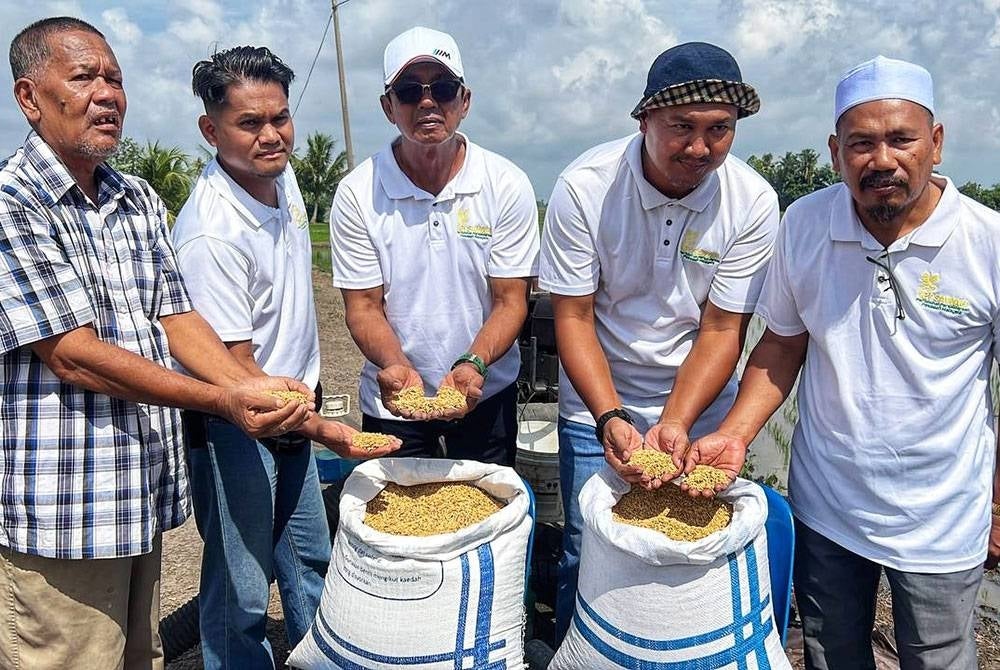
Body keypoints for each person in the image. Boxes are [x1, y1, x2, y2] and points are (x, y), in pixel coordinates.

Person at [0, 17, 313, 670]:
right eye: (84, 77)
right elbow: (73, 354)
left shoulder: (134, 197)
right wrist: (222, 401)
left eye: (114, 78)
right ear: (29, 97)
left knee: (141, 656)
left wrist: (247, 386)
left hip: (133, 496)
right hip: (61, 511)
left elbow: (177, 317)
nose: (108, 93)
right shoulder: (13, 203)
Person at [688, 55, 1000, 669]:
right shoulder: (805, 224)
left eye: (901, 140)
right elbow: (780, 345)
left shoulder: (986, 242)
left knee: (937, 654)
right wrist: (733, 434)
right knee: (832, 651)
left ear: (935, 143)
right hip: (828, 502)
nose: (881, 160)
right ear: (835, 152)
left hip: (942, 509)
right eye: (861, 143)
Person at [538, 41, 779, 642]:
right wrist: (609, 415)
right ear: (645, 119)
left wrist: (675, 422)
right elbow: (574, 317)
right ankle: (583, 647)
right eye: (681, 127)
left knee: (690, 545)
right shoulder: (586, 187)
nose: (700, 148)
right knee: (588, 542)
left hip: (697, 404)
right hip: (599, 398)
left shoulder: (752, 202)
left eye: (719, 129)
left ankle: (676, 645)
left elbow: (724, 328)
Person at [171, 47, 400, 669]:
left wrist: (314, 407)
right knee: (241, 588)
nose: (271, 135)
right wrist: (331, 431)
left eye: (280, 117)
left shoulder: (282, 178)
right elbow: (235, 370)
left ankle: (318, 658)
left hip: (294, 411)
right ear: (210, 130)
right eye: (249, 123)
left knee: (311, 561)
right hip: (236, 426)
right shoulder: (212, 231)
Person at [330, 26, 539, 465]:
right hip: (395, 399)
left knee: (485, 520)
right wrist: (396, 365)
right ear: (389, 107)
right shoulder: (357, 191)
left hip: (484, 390)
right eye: (409, 91)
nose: (427, 102)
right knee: (399, 526)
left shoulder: (505, 183)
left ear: (464, 101)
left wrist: (474, 364)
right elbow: (364, 306)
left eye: (442, 88)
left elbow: (510, 300)